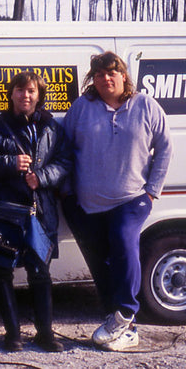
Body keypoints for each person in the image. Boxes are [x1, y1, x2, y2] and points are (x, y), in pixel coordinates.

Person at [62, 51, 172, 351]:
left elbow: (164, 147)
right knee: (100, 260)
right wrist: (68, 192)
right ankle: (124, 328)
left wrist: (152, 190)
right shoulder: (81, 108)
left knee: (124, 245)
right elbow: (65, 150)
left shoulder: (146, 106)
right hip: (86, 203)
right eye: (99, 74)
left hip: (131, 198)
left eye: (112, 72)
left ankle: (125, 311)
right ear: (92, 80)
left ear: (124, 75)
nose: (106, 78)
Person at [0, 71, 71, 352]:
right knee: (2, 272)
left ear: (39, 95)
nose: (25, 96)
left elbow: (66, 162)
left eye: (30, 91)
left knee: (40, 271)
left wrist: (43, 177)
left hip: (41, 212)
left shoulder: (53, 128)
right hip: (4, 211)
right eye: (19, 90)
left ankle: (45, 333)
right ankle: (13, 334)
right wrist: (10, 163)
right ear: (11, 94)